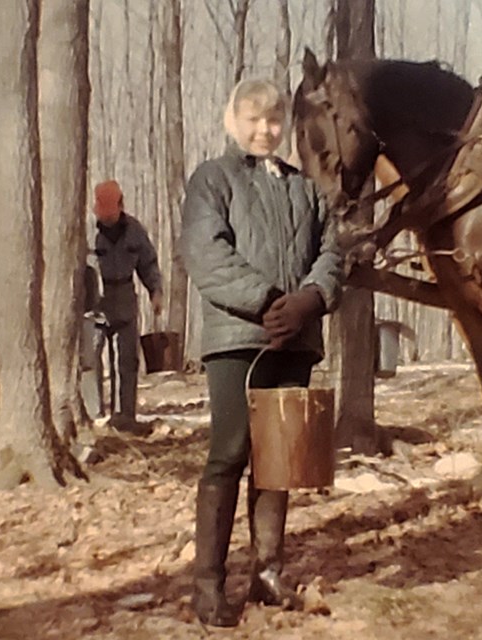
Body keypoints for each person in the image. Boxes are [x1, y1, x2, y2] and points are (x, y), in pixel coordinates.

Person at [180, 78, 343, 627]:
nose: (263, 130)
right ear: (232, 119)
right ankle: (208, 586)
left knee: (279, 460)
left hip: (294, 338)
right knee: (229, 453)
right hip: (236, 339)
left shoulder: (306, 187)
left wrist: (309, 300)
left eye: (273, 120)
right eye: (252, 119)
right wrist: (269, 299)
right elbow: (207, 255)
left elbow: (331, 251)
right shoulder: (212, 179)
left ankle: (268, 574)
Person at [91, 179, 163, 435]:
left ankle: (127, 414)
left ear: (121, 205)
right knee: (91, 356)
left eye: (112, 213)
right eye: (103, 214)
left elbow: (148, 263)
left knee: (127, 359)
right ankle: (95, 413)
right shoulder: (88, 232)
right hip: (95, 300)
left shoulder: (134, 231)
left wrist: (155, 291)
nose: (108, 219)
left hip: (124, 296)